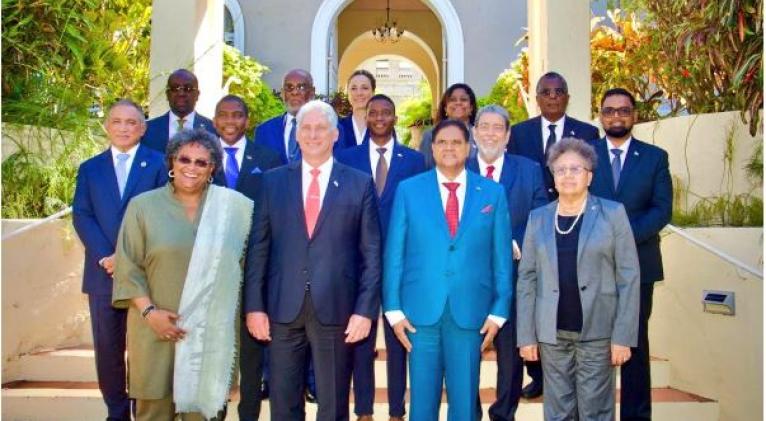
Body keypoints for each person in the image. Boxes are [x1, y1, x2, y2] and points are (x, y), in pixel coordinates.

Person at [245, 100, 382, 421]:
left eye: (321, 128)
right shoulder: (272, 182)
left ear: (335, 134)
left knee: (332, 406)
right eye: (306, 128)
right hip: (281, 309)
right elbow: (258, 249)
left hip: (337, 309)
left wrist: (364, 311)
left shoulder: (359, 183)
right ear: (297, 135)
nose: (313, 134)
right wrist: (254, 307)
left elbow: (372, 254)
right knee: (283, 404)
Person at [112, 128, 254, 421]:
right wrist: (150, 313)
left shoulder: (231, 210)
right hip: (154, 329)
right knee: (153, 413)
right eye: (184, 159)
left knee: (203, 414)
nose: (191, 167)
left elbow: (242, 272)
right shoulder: (143, 207)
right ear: (171, 162)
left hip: (209, 337)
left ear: (212, 168)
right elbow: (128, 266)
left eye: (201, 162)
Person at [384, 119, 512, 421]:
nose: (449, 147)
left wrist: (498, 312)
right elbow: (394, 254)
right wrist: (393, 310)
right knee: (421, 406)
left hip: (470, 313)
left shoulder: (492, 193)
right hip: (419, 314)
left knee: (464, 404)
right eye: (442, 142)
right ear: (432, 148)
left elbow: (502, 258)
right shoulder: (409, 190)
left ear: (469, 148)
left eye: (457, 142)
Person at [517, 137, 640, 421]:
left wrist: (623, 336)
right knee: (558, 412)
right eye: (560, 170)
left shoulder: (613, 214)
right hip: (552, 334)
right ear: (553, 177)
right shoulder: (538, 218)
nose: (568, 175)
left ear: (590, 176)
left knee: (595, 411)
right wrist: (527, 336)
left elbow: (629, 277)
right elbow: (527, 279)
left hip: (598, 332)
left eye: (576, 169)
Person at [72, 99, 168, 421]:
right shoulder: (90, 169)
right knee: (108, 350)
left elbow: (161, 215)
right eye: (117, 121)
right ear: (106, 126)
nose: (124, 128)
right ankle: (116, 412)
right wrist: (106, 257)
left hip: (144, 273)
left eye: (131, 122)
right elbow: (82, 215)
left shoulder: (159, 164)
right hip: (103, 276)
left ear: (142, 128)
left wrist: (127, 257)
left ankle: (145, 411)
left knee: (144, 349)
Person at [335, 94, 426, 421]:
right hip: (357, 261)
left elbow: (418, 210)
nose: (379, 117)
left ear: (395, 118)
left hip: (399, 262)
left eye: (386, 112)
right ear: (366, 116)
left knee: (398, 337)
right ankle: (363, 409)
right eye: (373, 112)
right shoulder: (346, 157)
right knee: (360, 337)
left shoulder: (414, 160)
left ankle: (397, 410)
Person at [588, 88, 673, 421]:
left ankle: (636, 416)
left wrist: (622, 239)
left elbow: (662, 209)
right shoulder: (585, 155)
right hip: (591, 265)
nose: (616, 116)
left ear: (634, 115)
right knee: (594, 345)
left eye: (623, 110)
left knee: (634, 344)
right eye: (609, 110)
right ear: (601, 115)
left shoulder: (655, 157)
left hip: (639, 265)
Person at [466, 104, 548, 421]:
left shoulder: (529, 169)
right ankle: (469, 411)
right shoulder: (458, 166)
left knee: (511, 352)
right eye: (484, 126)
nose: (490, 133)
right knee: (466, 352)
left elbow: (541, 215)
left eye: (497, 127)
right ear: (474, 132)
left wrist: (514, 240)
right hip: (468, 278)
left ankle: (503, 413)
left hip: (514, 277)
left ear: (508, 134)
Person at [211, 95, 281, 421]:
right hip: (212, 272)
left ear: (247, 120)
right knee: (216, 352)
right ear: (214, 120)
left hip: (255, 269)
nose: (230, 121)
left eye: (237, 115)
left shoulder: (267, 158)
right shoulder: (199, 156)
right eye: (223, 115)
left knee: (252, 355)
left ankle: (249, 414)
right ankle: (214, 412)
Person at [510, 72, 600, 203]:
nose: (552, 96)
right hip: (530, 210)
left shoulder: (587, 133)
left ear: (567, 98)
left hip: (574, 208)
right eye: (546, 92)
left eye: (558, 92)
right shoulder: (518, 133)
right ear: (537, 99)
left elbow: (593, 178)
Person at [254, 69, 347, 164]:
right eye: (289, 87)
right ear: (282, 93)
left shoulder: (331, 129)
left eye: (301, 87)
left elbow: (337, 166)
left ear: (312, 92)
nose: (295, 92)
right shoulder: (264, 131)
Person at [141, 69, 216, 154]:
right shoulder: (147, 129)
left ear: (197, 94)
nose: (181, 93)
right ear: (167, 94)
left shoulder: (212, 129)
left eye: (188, 88)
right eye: (175, 88)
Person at [418, 83, 479, 169]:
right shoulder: (430, 135)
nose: (458, 103)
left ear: (471, 107)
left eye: (463, 99)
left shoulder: (480, 134)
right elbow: (426, 167)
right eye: (452, 100)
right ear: (445, 108)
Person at [338, 69, 376, 148]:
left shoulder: (382, 127)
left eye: (364, 88)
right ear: (348, 93)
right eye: (353, 88)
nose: (359, 93)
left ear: (373, 92)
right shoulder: (337, 127)